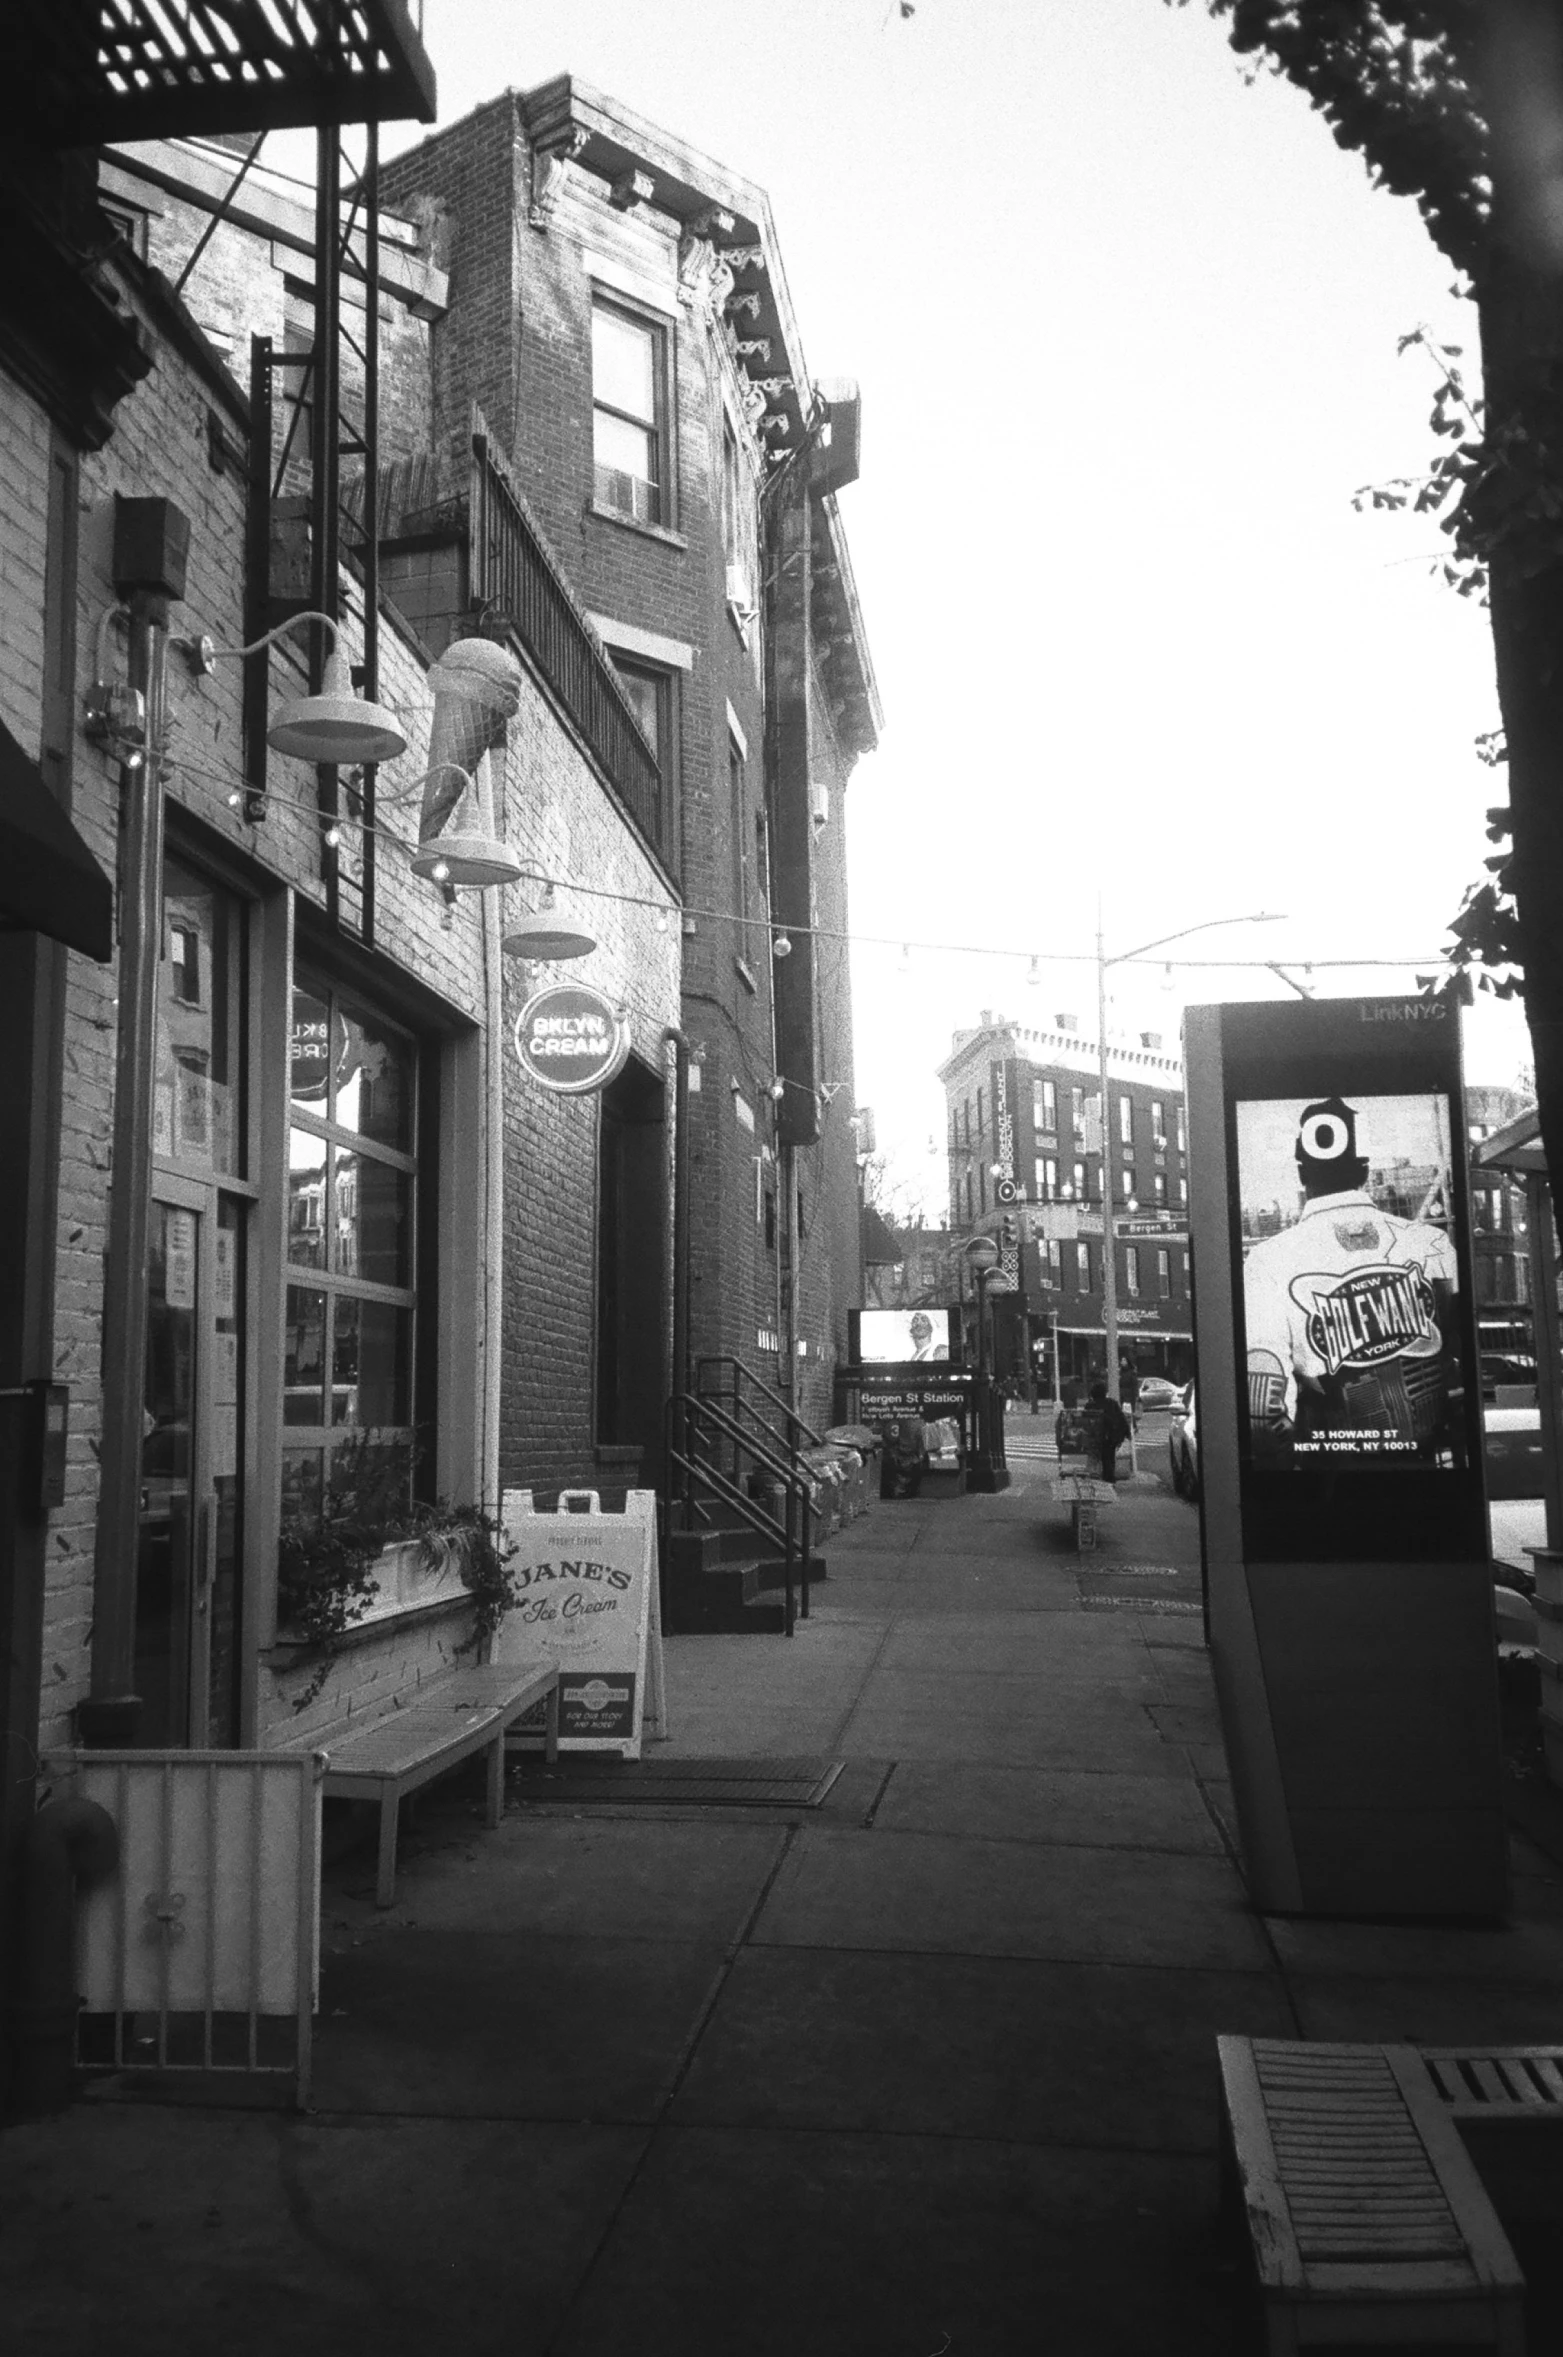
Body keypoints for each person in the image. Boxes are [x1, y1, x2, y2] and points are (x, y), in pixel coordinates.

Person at [1241, 1096, 1461, 1467]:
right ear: (1364, 1170)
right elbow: (1459, 1364)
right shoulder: (1431, 1243)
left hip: (1329, 1489)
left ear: (1301, 1174)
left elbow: (1261, 1410)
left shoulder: (1268, 1260)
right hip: (1429, 1480)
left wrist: (1290, 1471)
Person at [1089, 1381, 1131, 1483]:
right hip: (1111, 1437)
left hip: (1095, 1438)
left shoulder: (1090, 1405)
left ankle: (1103, 1477)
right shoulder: (1112, 1403)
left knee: (1101, 1456)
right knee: (1109, 1457)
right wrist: (1127, 1433)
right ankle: (1109, 1478)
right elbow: (1121, 1419)